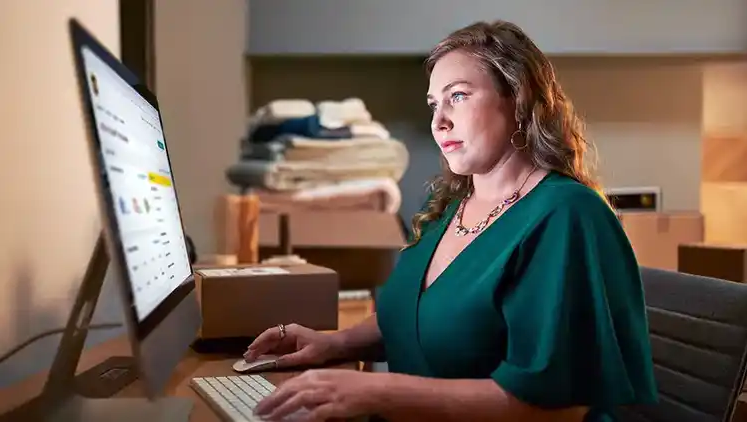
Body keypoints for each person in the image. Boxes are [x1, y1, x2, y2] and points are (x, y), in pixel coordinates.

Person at [244, 20, 658, 422]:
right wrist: (332, 345)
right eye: (433, 104)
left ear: (517, 97)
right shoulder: (450, 204)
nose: (438, 120)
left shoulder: (568, 216)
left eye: (457, 96)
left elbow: (561, 408)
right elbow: (425, 315)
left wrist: (376, 392)